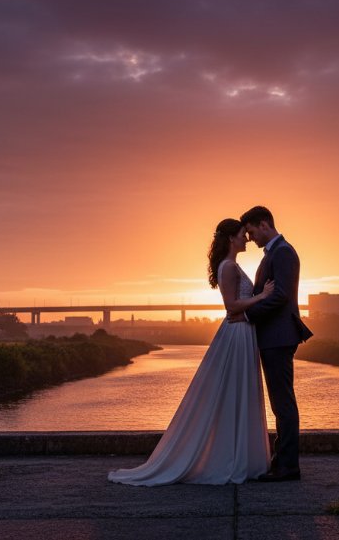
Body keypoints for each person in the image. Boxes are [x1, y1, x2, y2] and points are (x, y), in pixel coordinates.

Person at [108, 218, 273, 486]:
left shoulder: (231, 265)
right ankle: (230, 458)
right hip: (237, 332)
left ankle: (236, 455)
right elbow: (231, 306)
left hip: (242, 331)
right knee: (232, 392)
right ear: (231, 238)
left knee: (236, 392)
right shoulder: (228, 266)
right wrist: (262, 296)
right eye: (243, 234)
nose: (246, 239)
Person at [237, 205, 313, 482]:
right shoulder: (275, 252)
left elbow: (280, 295)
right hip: (274, 336)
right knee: (280, 402)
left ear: (264, 224)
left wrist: (247, 314)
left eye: (251, 232)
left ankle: (288, 466)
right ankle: (282, 460)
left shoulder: (283, 252)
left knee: (283, 403)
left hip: (279, 336)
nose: (250, 238)